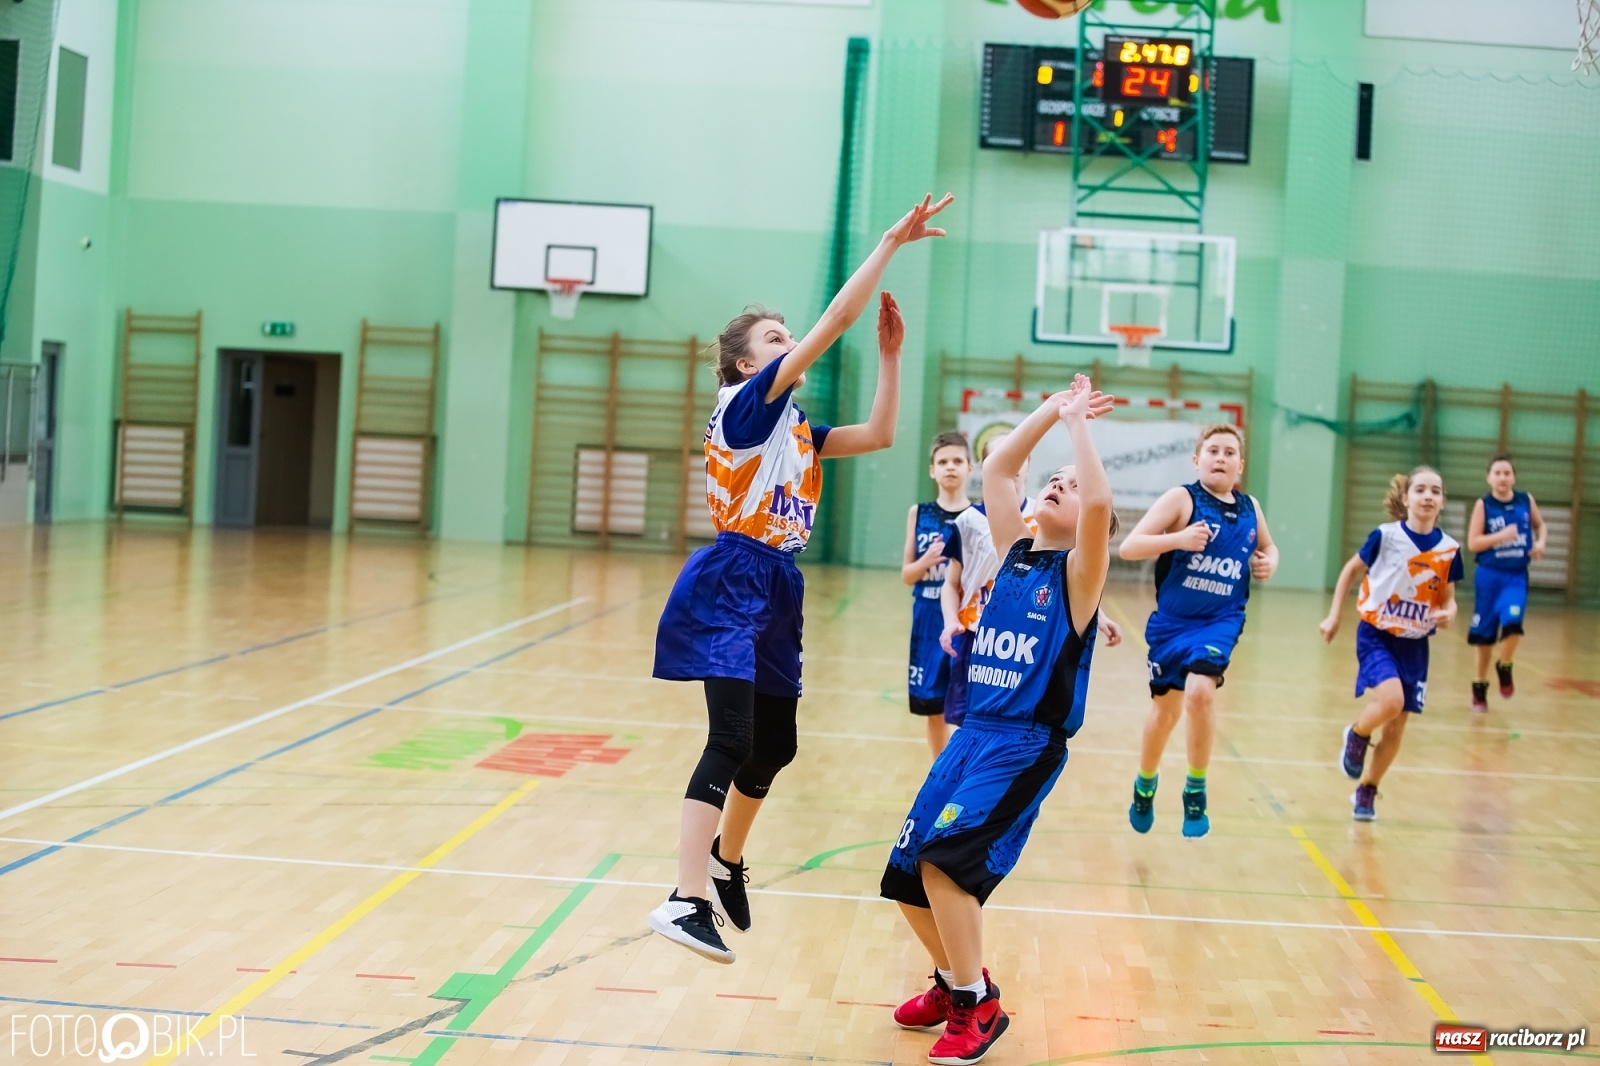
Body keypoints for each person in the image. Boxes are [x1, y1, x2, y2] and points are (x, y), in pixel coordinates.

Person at [648, 193, 955, 964]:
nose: (791, 344)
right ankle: (684, 897)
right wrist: (889, 241)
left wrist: (890, 356)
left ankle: (725, 859)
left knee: (774, 745)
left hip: (779, 580)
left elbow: (882, 434)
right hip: (733, 574)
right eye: (776, 339)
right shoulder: (749, 406)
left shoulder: (796, 432)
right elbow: (835, 322)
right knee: (731, 737)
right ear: (750, 364)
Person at [881, 376, 1115, 1066]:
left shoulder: (1077, 578)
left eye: (1067, 486)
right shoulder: (1015, 554)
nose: (1057, 486)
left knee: (946, 867)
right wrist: (1053, 407)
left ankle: (977, 1010)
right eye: (1055, 482)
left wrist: (1080, 430)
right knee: (903, 874)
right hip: (974, 733)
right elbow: (1002, 466)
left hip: (1024, 745)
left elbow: (1099, 502)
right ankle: (962, 987)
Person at [1118, 424, 1276, 838]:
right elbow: (1130, 547)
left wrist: (1269, 561)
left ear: (1240, 466)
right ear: (1197, 459)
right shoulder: (1182, 499)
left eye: (1229, 453)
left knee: (1202, 692)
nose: (1220, 458)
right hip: (1172, 624)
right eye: (1212, 451)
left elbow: (1268, 546)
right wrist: (1178, 539)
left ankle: (1195, 788)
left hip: (1220, 621)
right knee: (1165, 712)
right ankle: (1145, 782)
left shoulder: (1250, 508)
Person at [1323, 466, 1462, 822]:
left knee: (1398, 725)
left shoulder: (1448, 550)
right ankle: (1356, 734)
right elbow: (1350, 571)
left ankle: (1367, 788)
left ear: (1442, 501)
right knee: (1391, 700)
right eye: (1420, 490)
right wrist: (1335, 615)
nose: (1428, 496)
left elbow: (1449, 598)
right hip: (1376, 635)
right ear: (1406, 498)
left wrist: (1448, 612)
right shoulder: (1384, 536)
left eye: (1436, 490)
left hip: (1415, 645)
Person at [903, 432, 975, 757]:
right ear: (932, 470)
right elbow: (907, 575)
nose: (950, 467)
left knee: (965, 705)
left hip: (964, 620)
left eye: (957, 461)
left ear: (970, 468)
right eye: (943, 462)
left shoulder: (978, 517)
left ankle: (961, 769)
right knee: (933, 705)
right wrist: (926, 561)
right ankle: (938, 773)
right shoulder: (919, 513)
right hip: (927, 617)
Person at [1465, 455, 1546, 712]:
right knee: (1484, 637)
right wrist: (1501, 536)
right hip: (1488, 576)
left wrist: (1541, 542)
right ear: (1489, 477)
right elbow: (1473, 543)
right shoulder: (1484, 505)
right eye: (1497, 473)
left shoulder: (1525, 500)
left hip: (1515, 576)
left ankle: (1505, 665)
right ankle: (1479, 687)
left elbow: (1540, 525)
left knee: (1513, 622)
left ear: (1514, 477)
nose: (1502, 477)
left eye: (1507, 472)